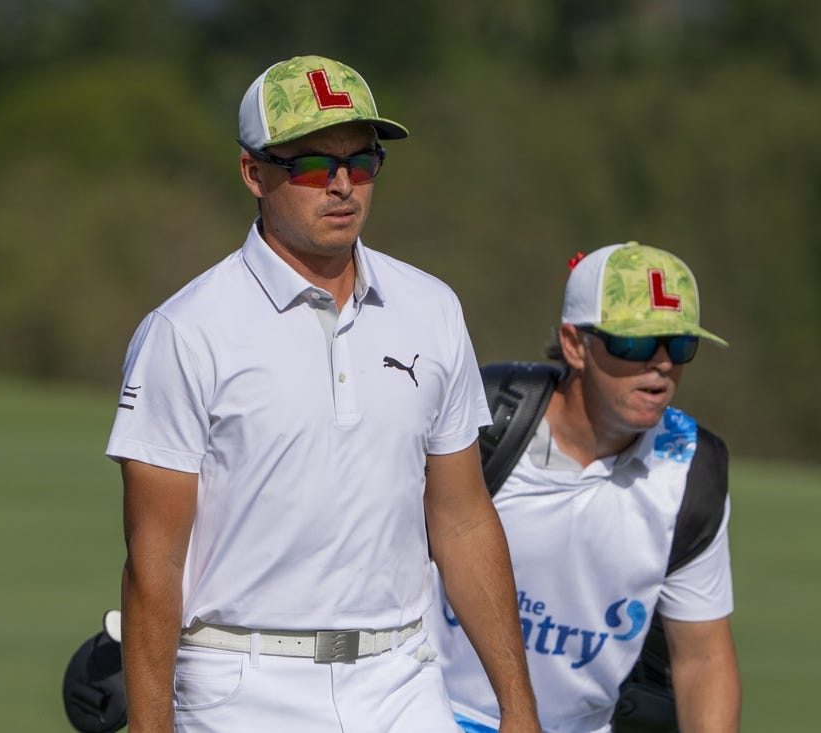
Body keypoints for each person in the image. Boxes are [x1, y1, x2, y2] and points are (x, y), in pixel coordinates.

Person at [105, 55, 540, 733]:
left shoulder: (432, 307)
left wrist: (518, 706)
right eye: (312, 166)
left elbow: (461, 519)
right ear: (254, 172)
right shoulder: (185, 331)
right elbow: (154, 559)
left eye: (361, 163)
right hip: (240, 683)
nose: (341, 186)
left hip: (404, 677)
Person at [426, 242, 742, 733]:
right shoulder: (487, 423)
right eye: (635, 343)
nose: (661, 364)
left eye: (680, 345)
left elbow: (702, 659)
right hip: (432, 716)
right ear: (574, 344)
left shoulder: (691, 468)